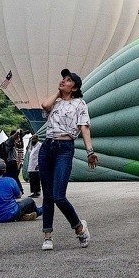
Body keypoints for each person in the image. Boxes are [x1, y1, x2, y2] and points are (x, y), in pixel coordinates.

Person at [38, 69, 99, 251]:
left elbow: (84, 128)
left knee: (59, 196)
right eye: (63, 79)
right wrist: (58, 91)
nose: (63, 81)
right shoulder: (54, 103)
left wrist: (90, 152)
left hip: (64, 148)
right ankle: (47, 235)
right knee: (47, 195)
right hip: (47, 147)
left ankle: (79, 228)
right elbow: (44, 105)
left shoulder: (80, 104)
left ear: (75, 87)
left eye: (68, 80)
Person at [0, 158, 41, 223]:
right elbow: (18, 195)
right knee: (29, 201)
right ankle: (40, 211)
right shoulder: (10, 181)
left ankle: (21, 215)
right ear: (4, 171)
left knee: (17, 205)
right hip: (10, 214)